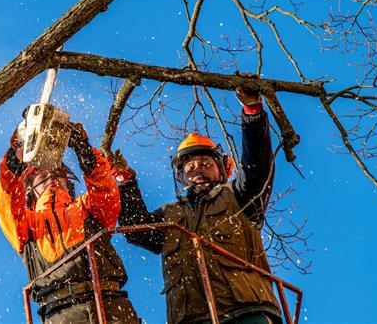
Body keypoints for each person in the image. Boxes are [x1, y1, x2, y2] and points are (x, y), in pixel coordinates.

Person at [113, 82, 281, 324]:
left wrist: (253, 112)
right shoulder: (170, 215)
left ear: (222, 169)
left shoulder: (240, 197)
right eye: (190, 167)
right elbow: (136, 229)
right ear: (181, 176)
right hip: (192, 318)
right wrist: (125, 181)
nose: (197, 170)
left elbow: (258, 165)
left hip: (246, 312)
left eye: (206, 164)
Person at [0, 121, 140, 324]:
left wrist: (83, 149)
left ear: (67, 182)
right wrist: (16, 153)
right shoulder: (27, 223)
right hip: (59, 311)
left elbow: (105, 192)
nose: (51, 178)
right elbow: (6, 199)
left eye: (57, 174)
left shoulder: (86, 208)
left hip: (109, 303)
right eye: (42, 177)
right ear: (29, 191)